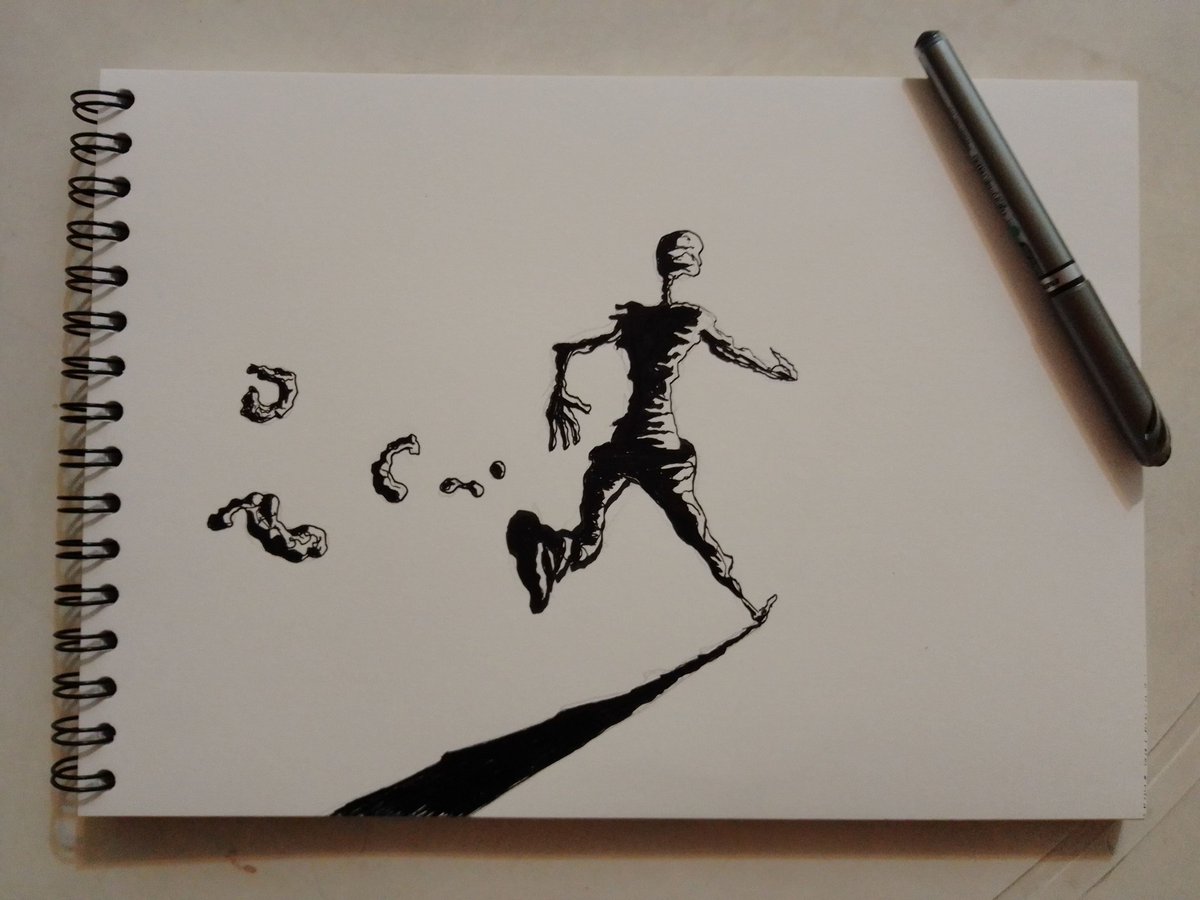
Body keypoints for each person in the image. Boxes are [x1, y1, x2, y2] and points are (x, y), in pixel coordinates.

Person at [506, 230, 797, 622]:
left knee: (590, 531)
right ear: (690, 264)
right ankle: (750, 602)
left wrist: (559, 395)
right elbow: (734, 351)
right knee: (697, 535)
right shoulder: (694, 318)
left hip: (623, 446)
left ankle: (555, 549)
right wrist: (774, 370)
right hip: (661, 449)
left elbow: (566, 349)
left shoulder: (635, 320)